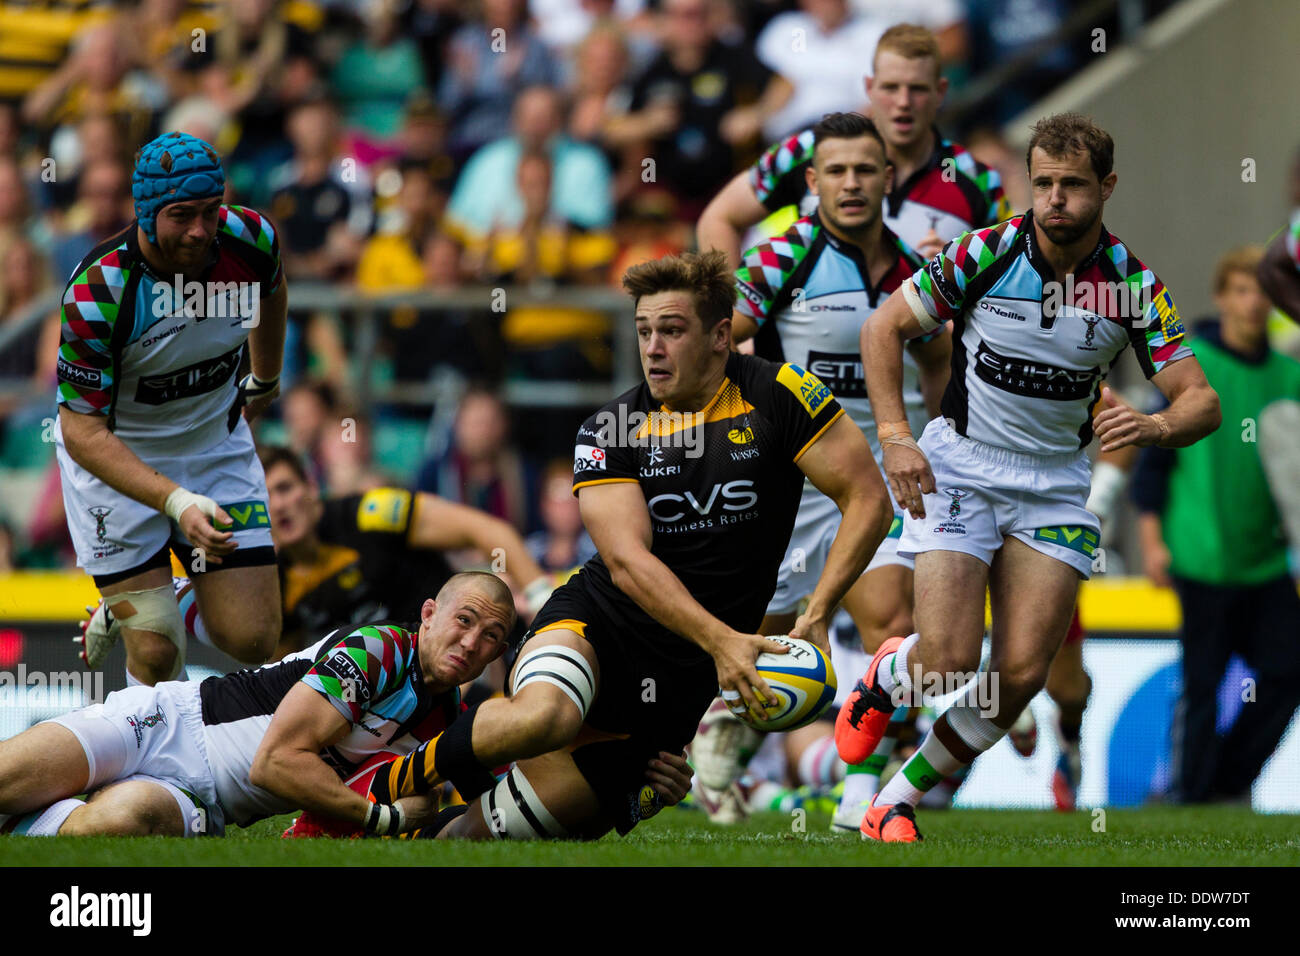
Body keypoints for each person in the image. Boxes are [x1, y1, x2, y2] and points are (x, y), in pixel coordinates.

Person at [358, 250, 893, 841]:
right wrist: (724, 643)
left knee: (477, 841)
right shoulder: (609, 429)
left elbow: (869, 497)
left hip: (682, 680)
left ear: (720, 336)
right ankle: (374, 788)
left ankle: (413, 827)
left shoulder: (780, 393)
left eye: (672, 330)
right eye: (644, 331)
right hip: (599, 624)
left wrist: (817, 612)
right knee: (548, 715)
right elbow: (628, 564)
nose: (653, 348)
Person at [838, 112, 1221, 841]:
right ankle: (889, 674)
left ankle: (897, 799)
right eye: (1042, 183)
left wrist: (1156, 426)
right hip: (961, 469)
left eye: (1072, 186)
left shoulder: (1131, 285)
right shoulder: (983, 252)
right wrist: (895, 437)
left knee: (1020, 674)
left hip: (1053, 484)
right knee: (947, 660)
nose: (1053, 200)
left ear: (1106, 188)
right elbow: (883, 327)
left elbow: (1201, 399)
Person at [700, 112, 948, 830]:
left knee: (892, 626)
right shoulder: (782, 259)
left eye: (865, 170)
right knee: (767, 642)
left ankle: (856, 800)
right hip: (797, 481)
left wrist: (939, 444)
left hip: (883, 478)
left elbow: (936, 361)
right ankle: (718, 742)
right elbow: (719, 343)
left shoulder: (914, 272)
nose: (851, 183)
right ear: (811, 183)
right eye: (835, 171)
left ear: (887, 179)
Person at [0, 573, 511, 837]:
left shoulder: (445, 724)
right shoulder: (378, 650)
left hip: (208, 805)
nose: (471, 643)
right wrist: (379, 818)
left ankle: (25, 822)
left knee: (114, 827)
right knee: (7, 778)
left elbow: (477, 804)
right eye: (464, 620)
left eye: (491, 636)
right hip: (169, 721)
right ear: (429, 614)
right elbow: (274, 763)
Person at [60, 131, 287, 686]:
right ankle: (149, 769)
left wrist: (266, 376)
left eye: (211, 211)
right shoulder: (100, 290)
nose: (200, 231)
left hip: (214, 447)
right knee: (159, 655)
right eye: (182, 215)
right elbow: (80, 432)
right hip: (116, 464)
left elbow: (273, 289)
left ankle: (176, 599)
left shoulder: (249, 237)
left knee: (252, 639)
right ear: (145, 213)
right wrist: (177, 501)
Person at [1133, 246, 1300, 805]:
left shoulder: (1290, 377)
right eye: (1243, 289)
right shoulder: (1193, 367)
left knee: (1288, 670)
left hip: (1266, 561)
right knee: (1202, 684)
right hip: (1201, 554)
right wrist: (1153, 542)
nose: (1254, 303)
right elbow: (1153, 464)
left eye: (1263, 291)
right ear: (1223, 296)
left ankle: (1226, 784)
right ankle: (1189, 792)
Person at [697, 24, 1012, 268]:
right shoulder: (807, 151)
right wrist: (733, 313)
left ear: (941, 92)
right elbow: (719, 218)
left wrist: (957, 275)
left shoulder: (976, 178)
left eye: (917, 89)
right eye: (890, 87)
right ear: (869, 88)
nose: (903, 102)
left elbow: (1010, 278)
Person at [256, 444, 556, 658]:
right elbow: (283, 665)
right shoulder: (271, 580)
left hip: (459, 662)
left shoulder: (370, 512)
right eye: (265, 497)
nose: (278, 505)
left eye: (284, 488)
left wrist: (542, 599)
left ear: (310, 486)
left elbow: (485, 530)